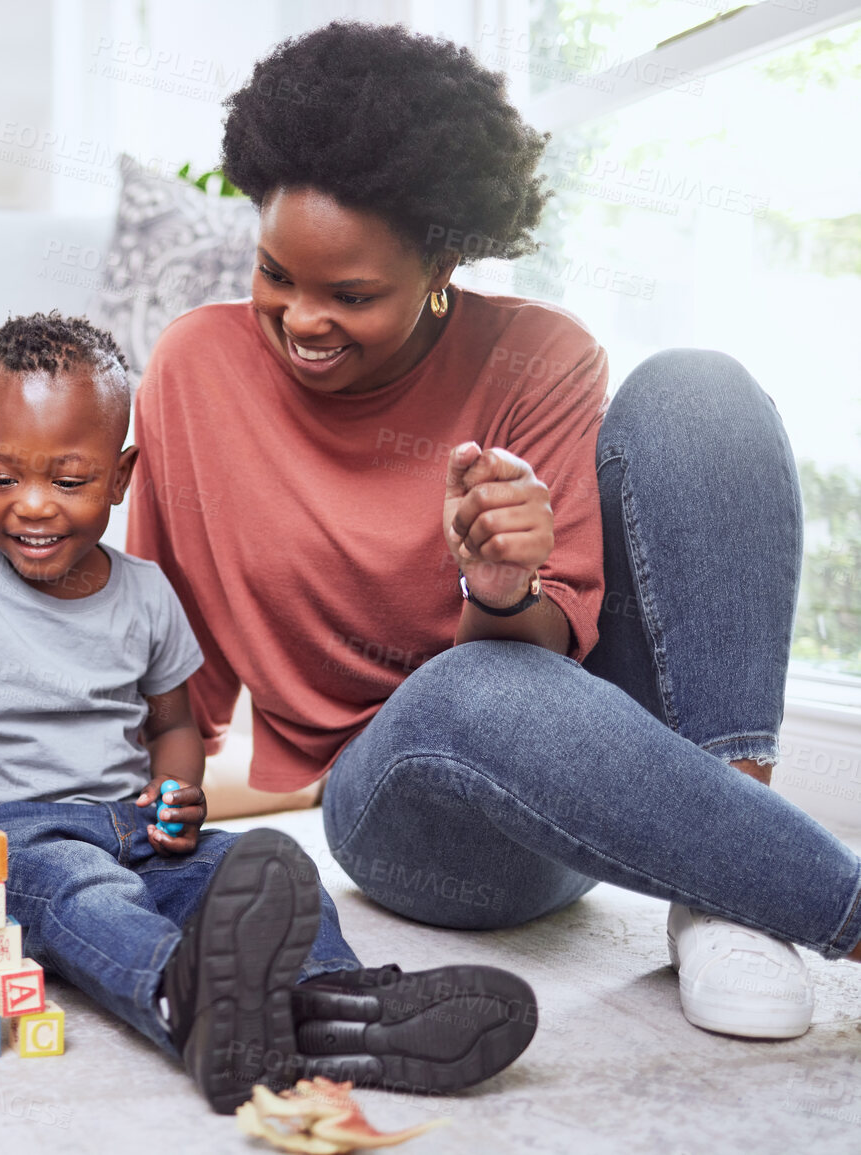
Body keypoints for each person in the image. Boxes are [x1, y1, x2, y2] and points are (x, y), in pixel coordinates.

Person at [128, 21, 857, 1041]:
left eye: (351, 294)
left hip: (588, 754)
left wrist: (504, 589)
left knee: (701, 391)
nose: (300, 319)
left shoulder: (540, 357)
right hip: (409, 815)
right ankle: (827, 903)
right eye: (275, 274)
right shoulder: (197, 371)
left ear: (446, 261)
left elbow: (548, 653)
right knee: (465, 690)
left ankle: (731, 892)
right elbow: (165, 638)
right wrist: (144, 811)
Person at [0, 312, 538, 1112]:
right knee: (81, 893)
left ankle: (339, 1000)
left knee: (266, 858)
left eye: (68, 480)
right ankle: (188, 999)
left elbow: (172, 725)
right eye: (0, 479)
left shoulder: (145, 594)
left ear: (121, 474)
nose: (31, 506)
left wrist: (177, 790)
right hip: (11, 839)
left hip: (139, 828)